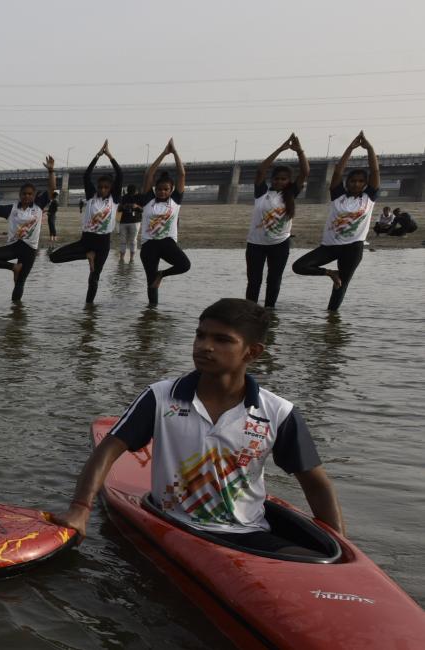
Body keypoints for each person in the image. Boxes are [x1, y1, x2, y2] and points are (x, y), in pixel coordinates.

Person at [52, 298, 345, 555]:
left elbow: (316, 483)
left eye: (222, 340)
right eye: (200, 335)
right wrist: (79, 510)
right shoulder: (161, 396)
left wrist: (343, 551)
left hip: (249, 534)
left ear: (252, 352)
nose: (205, 346)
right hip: (173, 526)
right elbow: (107, 451)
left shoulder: (277, 411)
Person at [292, 131, 380, 312]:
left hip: (353, 247)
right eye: (353, 181)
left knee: (341, 287)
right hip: (330, 246)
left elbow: (375, 171)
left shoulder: (369, 198)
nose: (356, 184)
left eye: (360, 182)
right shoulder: (338, 195)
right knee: (299, 266)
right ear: (347, 183)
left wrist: (369, 148)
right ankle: (330, 273)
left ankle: (331, 319)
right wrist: (350, 148)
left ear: (364, 184)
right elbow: (339, 169)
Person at [48, 140, 123, 305]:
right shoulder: (91, 197)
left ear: (110, 189)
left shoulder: (114, 199)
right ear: (97, 188)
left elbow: (120, 174)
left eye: (106, 187)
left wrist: (109, 155)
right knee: (54, 257)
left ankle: (89, 309)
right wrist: (97, 155)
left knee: (94, 278)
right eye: (100, 187)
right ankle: (87, 255)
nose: (103, 190)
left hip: (103, 244)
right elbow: (86, 175)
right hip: (86, 240)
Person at [0, 156, 57, 303]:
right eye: (24, 193)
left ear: (34, 195)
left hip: (30, 250)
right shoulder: (11, 209)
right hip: (14, 246)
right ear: (20, 195)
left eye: (30, 194)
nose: (27, 196)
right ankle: (14, 267)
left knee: (20, 283)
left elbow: (51, 189)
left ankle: (16, 314)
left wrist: (51, 171)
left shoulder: (39, 206)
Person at [245, 134, 309, 309]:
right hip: (255, 244)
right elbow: (260, 171)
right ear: (272, 179)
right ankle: (250, 311)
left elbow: (305, 173)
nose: (279, 181)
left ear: (288, 181)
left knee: (273, 281)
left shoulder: (290, 194)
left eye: (283, 179)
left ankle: (270, 313)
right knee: (254, 282)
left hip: (280, 244)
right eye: (277, 178)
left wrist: (300, 151)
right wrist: (280, 149)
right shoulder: (261, 193)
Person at [137, 138, 189, 307]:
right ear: (155, 189)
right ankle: (152, 312)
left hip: (167, 242)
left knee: (184, 264)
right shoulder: (148, 200)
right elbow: (149, 174)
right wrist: (163, 153)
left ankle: (162, 275)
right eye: (159, 189)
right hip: (149, 244)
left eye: (166, 189)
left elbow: (181, 174)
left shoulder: (175, 201)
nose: (162, 192)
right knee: (150, 283)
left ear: (171, 190)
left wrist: (174, 153)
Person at [117, 184, 142, 263]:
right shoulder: (138, 197)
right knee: (133, 240)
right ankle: (131, 259)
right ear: (135, 190)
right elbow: (119, 209)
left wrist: (136, 206)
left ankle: (122, 258)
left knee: (123, 240)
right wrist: (125, 207)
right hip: (134, 222)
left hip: (125, 222)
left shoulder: (124, 197)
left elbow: (142, 209)